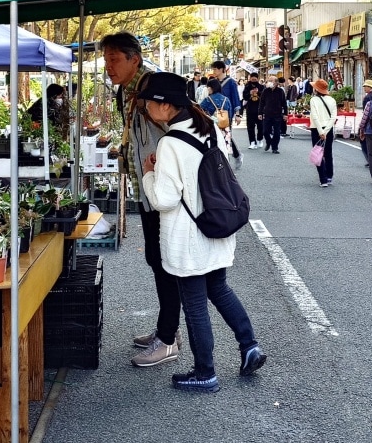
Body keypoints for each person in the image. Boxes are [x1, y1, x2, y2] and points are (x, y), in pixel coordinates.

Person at [139, 71, 266, 393]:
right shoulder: (206, 125)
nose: (145, 109)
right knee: (219, 289)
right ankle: (249, 346)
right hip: (216, 225)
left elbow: (163, 200)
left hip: (188, 237)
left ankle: (204, 371)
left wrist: (149, 174)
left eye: (148, 104)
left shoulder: (170, 142)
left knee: (194, 302)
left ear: (164, 105)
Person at [101, 32, 181, 369]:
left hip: (163, 193)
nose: (108, 68)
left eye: (114, 60)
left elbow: (175, 131)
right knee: (156, 258)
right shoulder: (126, 90)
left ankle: (168, 338)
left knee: (165, 262)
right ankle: (168, 330)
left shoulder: (153, 87)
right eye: (106, 61)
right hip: (147, 191)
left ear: (135, 59)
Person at [309, 79, 337, 188]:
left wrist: (321, 131)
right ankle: (329, 176)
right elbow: (333, 117)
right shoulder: (332, 100)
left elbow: (315, 116)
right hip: (328, 129)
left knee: (318, 153)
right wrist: (325, 131)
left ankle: (323, 179)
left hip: (316, 129)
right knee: (328, 153)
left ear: (316, 89)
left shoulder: (313, 100)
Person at [257, 75, 287, 154]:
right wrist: (260, 113)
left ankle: (275, 147)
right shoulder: (265, 91)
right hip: (267, 114)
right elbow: (261, 102)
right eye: (269, 80)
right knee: (265, 131)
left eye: (271, 80)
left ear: (276, 83)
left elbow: (284, 103)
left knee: (277, 132)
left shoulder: (280, 91)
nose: (269, 82)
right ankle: (269, 142)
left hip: (277, 114)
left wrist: (285, 114)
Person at [242, 73, 263, 149]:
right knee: (250, 127)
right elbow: (244, 97)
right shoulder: (247, 87)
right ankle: (252, 142)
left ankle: (260, 139)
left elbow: (264, 97)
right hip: (250, 109)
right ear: (250, 78)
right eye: (252, 79)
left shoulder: (261, 86)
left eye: (255, 79)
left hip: (259, 109)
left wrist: (258, 92)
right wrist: (249, 93)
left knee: (260, 126)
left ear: (257, 78)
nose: (253, 80)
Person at [360, 80, 372, 166]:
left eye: (366, 86)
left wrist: (362, 126)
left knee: (363, 142)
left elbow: (365, 113)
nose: (364, 88)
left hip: (369, 124)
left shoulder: (367, 98)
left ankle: (370, 160)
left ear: (370, 87)